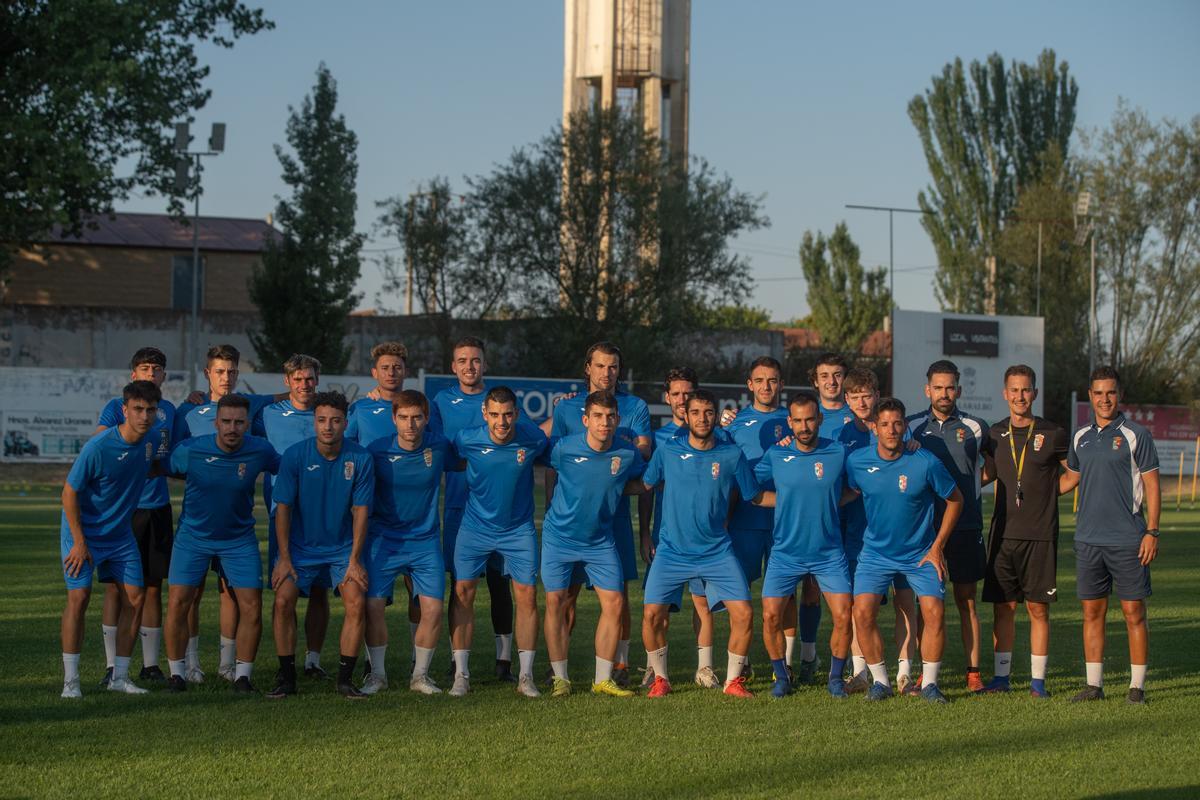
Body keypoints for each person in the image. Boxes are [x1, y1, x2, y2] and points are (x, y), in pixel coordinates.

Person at [641, 389, 761, 699]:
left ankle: (733, 682)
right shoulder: (668, 450)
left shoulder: (731, 454)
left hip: (717, 551)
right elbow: (644, 484)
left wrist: (798, 497)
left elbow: (755, 495)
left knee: (744, 614)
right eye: (695, 412)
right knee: (651, 615)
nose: (702, 418)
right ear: (686, 415)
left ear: (716, 415)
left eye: (708, 412)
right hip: (672, 551)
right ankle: (661, 678)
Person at [544, 341, 652, 687]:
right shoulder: (566, 408)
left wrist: (614, 460)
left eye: (614, 366)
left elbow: (642, 452)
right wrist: (552, 503)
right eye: (601, 366)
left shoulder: (635, 406)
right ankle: (558, 669)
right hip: (569, 518)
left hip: (612, 514)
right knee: (567, 594)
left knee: (618, 594)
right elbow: (555, 464)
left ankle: (618, 665)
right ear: (587, 368)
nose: (607, 372)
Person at [173, 343, 281, 681]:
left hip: (236, 526)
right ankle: (190, 663)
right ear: (208, 373)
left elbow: (289, 396)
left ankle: (227, 664)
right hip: (198, 521)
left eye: (232, 371)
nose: (226, 377)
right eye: (220, 371)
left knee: (230, 592)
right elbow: (174, 460)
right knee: (189, 595)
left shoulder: (251, 404)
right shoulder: (188, 410)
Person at [846, 397, 964, 704]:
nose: (891, 430)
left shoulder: (924, 461)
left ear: (905, 426)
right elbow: (852, 491)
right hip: (876, 554)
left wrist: (937, 547)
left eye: (897, 423)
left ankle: (930, 685)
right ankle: (880, 682)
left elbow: (955, 500)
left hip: (920, 553)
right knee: (862, 612)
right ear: (874, 428)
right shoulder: (857, 462)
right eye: (884, 424)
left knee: (934, 611)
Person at [1059, 366, 1160, 704]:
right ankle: (1094, 686)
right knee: (1092, 613)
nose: (1105, 399)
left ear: (1120, 395)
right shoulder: (1080, 436)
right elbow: (1070, 479)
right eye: (1099, 393)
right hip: (1088, 540)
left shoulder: (1136, 434)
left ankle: (1137, 688)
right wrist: (1032, 490)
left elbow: (1152, 485)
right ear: (1090, 396)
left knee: (1134, 613)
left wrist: (1152, 531)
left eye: (1111, 392)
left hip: (1129, 539)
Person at [266, 391, 374, 700]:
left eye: (335, 420)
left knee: (356, 602)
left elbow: (361, 512)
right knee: (283, 600)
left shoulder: (361, 458)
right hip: (300, 549)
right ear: (314, 422)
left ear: (346, 423)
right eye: (322, 420)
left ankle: (344, 680)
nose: (328, 427)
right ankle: (287, 678)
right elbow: (283, 509)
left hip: (342, 549)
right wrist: (284, 558)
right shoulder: (295, 456)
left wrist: (354, 560)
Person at [60, 380, 161, 698]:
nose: (144, 416)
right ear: (124, 410)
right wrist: (79, 542)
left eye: (150, 410)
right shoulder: (99, 447)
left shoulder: (152, 439)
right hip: (83, 534)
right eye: (138, 409)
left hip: (120, 536)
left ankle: (119, 677)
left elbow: (154, 466)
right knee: (79, 598)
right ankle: (71, 682)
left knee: (135, 598)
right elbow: (69, 492)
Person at [449, 386, 550, 698]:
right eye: (494, 414)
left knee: (527, 596)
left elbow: (552, 446)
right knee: (463, 593)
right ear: (485, 414)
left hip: (518, 530)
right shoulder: (466, 439)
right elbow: (449, 460)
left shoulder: (532, 438)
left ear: (517, 414)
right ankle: (461, 675)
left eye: (507, 414)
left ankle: (526, 677)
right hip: (475, 528)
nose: (501, 421)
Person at [752, 392, 854, 699]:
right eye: (797, 421)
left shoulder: (838, 452)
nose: (804, 426)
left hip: (828, 553)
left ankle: (835, 678)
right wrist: (784, 501)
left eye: (810, 419)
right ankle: (782, 677)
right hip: (786, 553)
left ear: (819, 419)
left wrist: (831, 502)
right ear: (789, 422)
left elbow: (857, 486)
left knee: (844, 615)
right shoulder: (776, 454)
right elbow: (751, 489)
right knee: (770, 616)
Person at [427, 337, 515, 682]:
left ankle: (504, 662)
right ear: (453, 366)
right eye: (462, 360)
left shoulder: (499, 402)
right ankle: (457, 661)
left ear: (485, 364)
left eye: (475, 360)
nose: (469, 366)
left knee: (499, 584)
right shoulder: (440, 402)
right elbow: (436, 448)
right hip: (459, 508)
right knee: (460, 586)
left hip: (500, 511)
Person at [978, 365, 1068, 698]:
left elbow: (1074, 474)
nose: (1020, 396)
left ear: (1035, 393)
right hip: (1003, 535)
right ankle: (1001, 679)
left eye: (1026, 389)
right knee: (1003, 608)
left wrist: (1049, 493)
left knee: (1038, 609)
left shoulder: (1053, 433)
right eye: (1014, 390)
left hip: (1040, 535)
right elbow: (988, 474)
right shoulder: (994, 434)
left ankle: (1037, 683)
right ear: (1005, 394)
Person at [92, 348, 177, 685]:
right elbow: (101, 443)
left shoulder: (170, 410)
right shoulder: (117, 407)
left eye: (156, 369)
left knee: (153, 586)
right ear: (133, 374)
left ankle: (151, 665)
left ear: (164, 376)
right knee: (117, 588)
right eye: (144, 368)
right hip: (123, 509)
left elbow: (172, 456)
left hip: (157, 506)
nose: (150, 374)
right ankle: (112, 665)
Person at [361, 390, 455, 696]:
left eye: (416, 417)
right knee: (373, 606)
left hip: (425, 542)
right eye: (403, 417)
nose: (410, 424)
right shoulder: (376, 451)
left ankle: (420, 676)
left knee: (433, 609)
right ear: (394, 418)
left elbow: (479, 454)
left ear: (427, 418)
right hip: (383, 540)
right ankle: (377, 675)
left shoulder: (440, 446)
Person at [718, 356, 804, 683]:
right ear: (749, 385)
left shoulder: (794, 419)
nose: (766, 386)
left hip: (786, 520)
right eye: (760, 380)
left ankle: (787, 662)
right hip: (745, 517)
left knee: (787, 595)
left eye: (772, 380)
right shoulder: (735, 423)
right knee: (740, 591)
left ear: (781, 383)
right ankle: (742, 661)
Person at [906, 360, 988, 692]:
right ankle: (924, 673)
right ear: (927, 390)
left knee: (966, 600)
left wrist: (970, 488)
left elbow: (993, 468)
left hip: (966, 526)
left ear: (959, 389)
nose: (944, 393)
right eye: (938, 387)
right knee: (927, 604)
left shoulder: (976, 427)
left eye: (950, 387)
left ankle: (973, 673)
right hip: (925, 529)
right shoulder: (911, 427)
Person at [838, 368, 920, 695]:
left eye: (867, 395)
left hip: (902, 535)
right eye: (855, 396)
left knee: (905, 601)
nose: (862, 402)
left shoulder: (897, 429)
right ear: (847, 399)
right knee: (860, 607)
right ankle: (861, 671)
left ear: (876, 395)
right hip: (859, 534)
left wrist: (912, 445)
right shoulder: (841, 435)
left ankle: (904, 672)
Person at [255, 354, 332, 680]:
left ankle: (313, 660)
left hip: (324, 514)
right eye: (298, 379)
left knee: (319, 591)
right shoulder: (267, 414)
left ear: (318, 379)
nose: (304, 385)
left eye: (310, 378)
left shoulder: (327, 414)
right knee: (284, 592)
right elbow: (232, 407)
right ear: (287, 381)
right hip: (283, 515)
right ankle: (285, 665)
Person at [643, 367, 720, 689]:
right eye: (675, 394)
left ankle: (704, 668)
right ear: (667, 398)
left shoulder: (716, 438)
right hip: (667, 538)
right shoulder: (659, 439)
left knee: (702, 604)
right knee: (658, 607)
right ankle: (655, 670)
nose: (681, 399)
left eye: (687, 393)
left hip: (705, 539)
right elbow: (648, 488)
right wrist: (645, 533)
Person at [347, 341, 408, 446]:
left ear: (406, 372)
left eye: (397, 367)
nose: (391, 373)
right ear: (375, 373)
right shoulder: (359, 408)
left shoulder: (420, 407)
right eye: (385, 368)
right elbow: (345, 445)